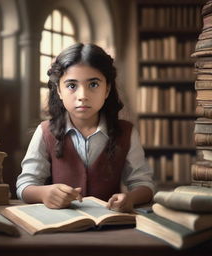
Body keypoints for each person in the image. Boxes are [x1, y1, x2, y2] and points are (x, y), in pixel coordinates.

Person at [16, 43, 154, 212]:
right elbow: (25, 185)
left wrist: (130, 198)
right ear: (59, 90)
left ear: (107, 89)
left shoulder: (126, 132)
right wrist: (44, 193)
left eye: (93, 85)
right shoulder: (45, 131)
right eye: (71, 86)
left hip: (111, 228)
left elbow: (144, 184)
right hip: (60, 228)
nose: (82, 96)